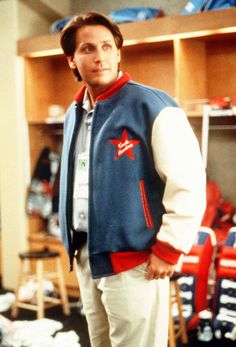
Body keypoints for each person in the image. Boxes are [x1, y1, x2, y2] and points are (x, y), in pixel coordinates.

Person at [59, 12, 206, 347]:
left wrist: (170, 248)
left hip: (136, 262)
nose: (99, 56)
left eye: (107, 47)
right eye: (87, 48)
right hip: (87, 256)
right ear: (72, 60)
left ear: (119, 53)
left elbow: (189, 182)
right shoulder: (73, 114)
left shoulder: (152, 105)